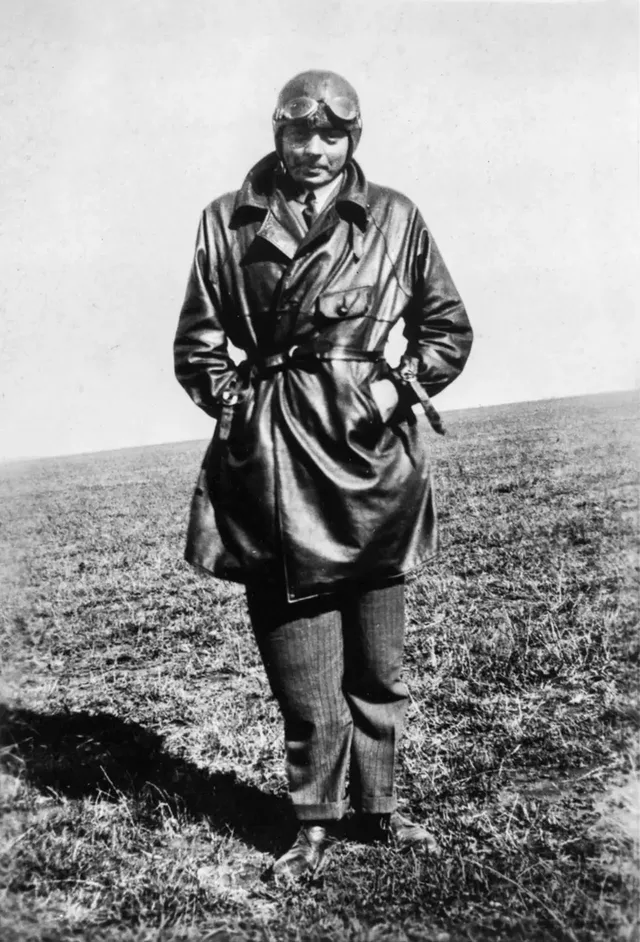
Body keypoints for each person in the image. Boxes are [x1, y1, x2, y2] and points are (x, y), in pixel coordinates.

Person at [174, 70, 473, 880]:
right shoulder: (224, 223)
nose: (314, 150)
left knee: (378, 665)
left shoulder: (396, 218)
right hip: (274, 471)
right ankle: (312, 821)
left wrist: (400, 381)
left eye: (331, 137)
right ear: (277, 135)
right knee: (303, 674)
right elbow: (198, 349)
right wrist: (248, 412)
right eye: (299, 135)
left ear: (353, 141)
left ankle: (377, 812)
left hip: (374, 460)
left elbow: (446, 325)